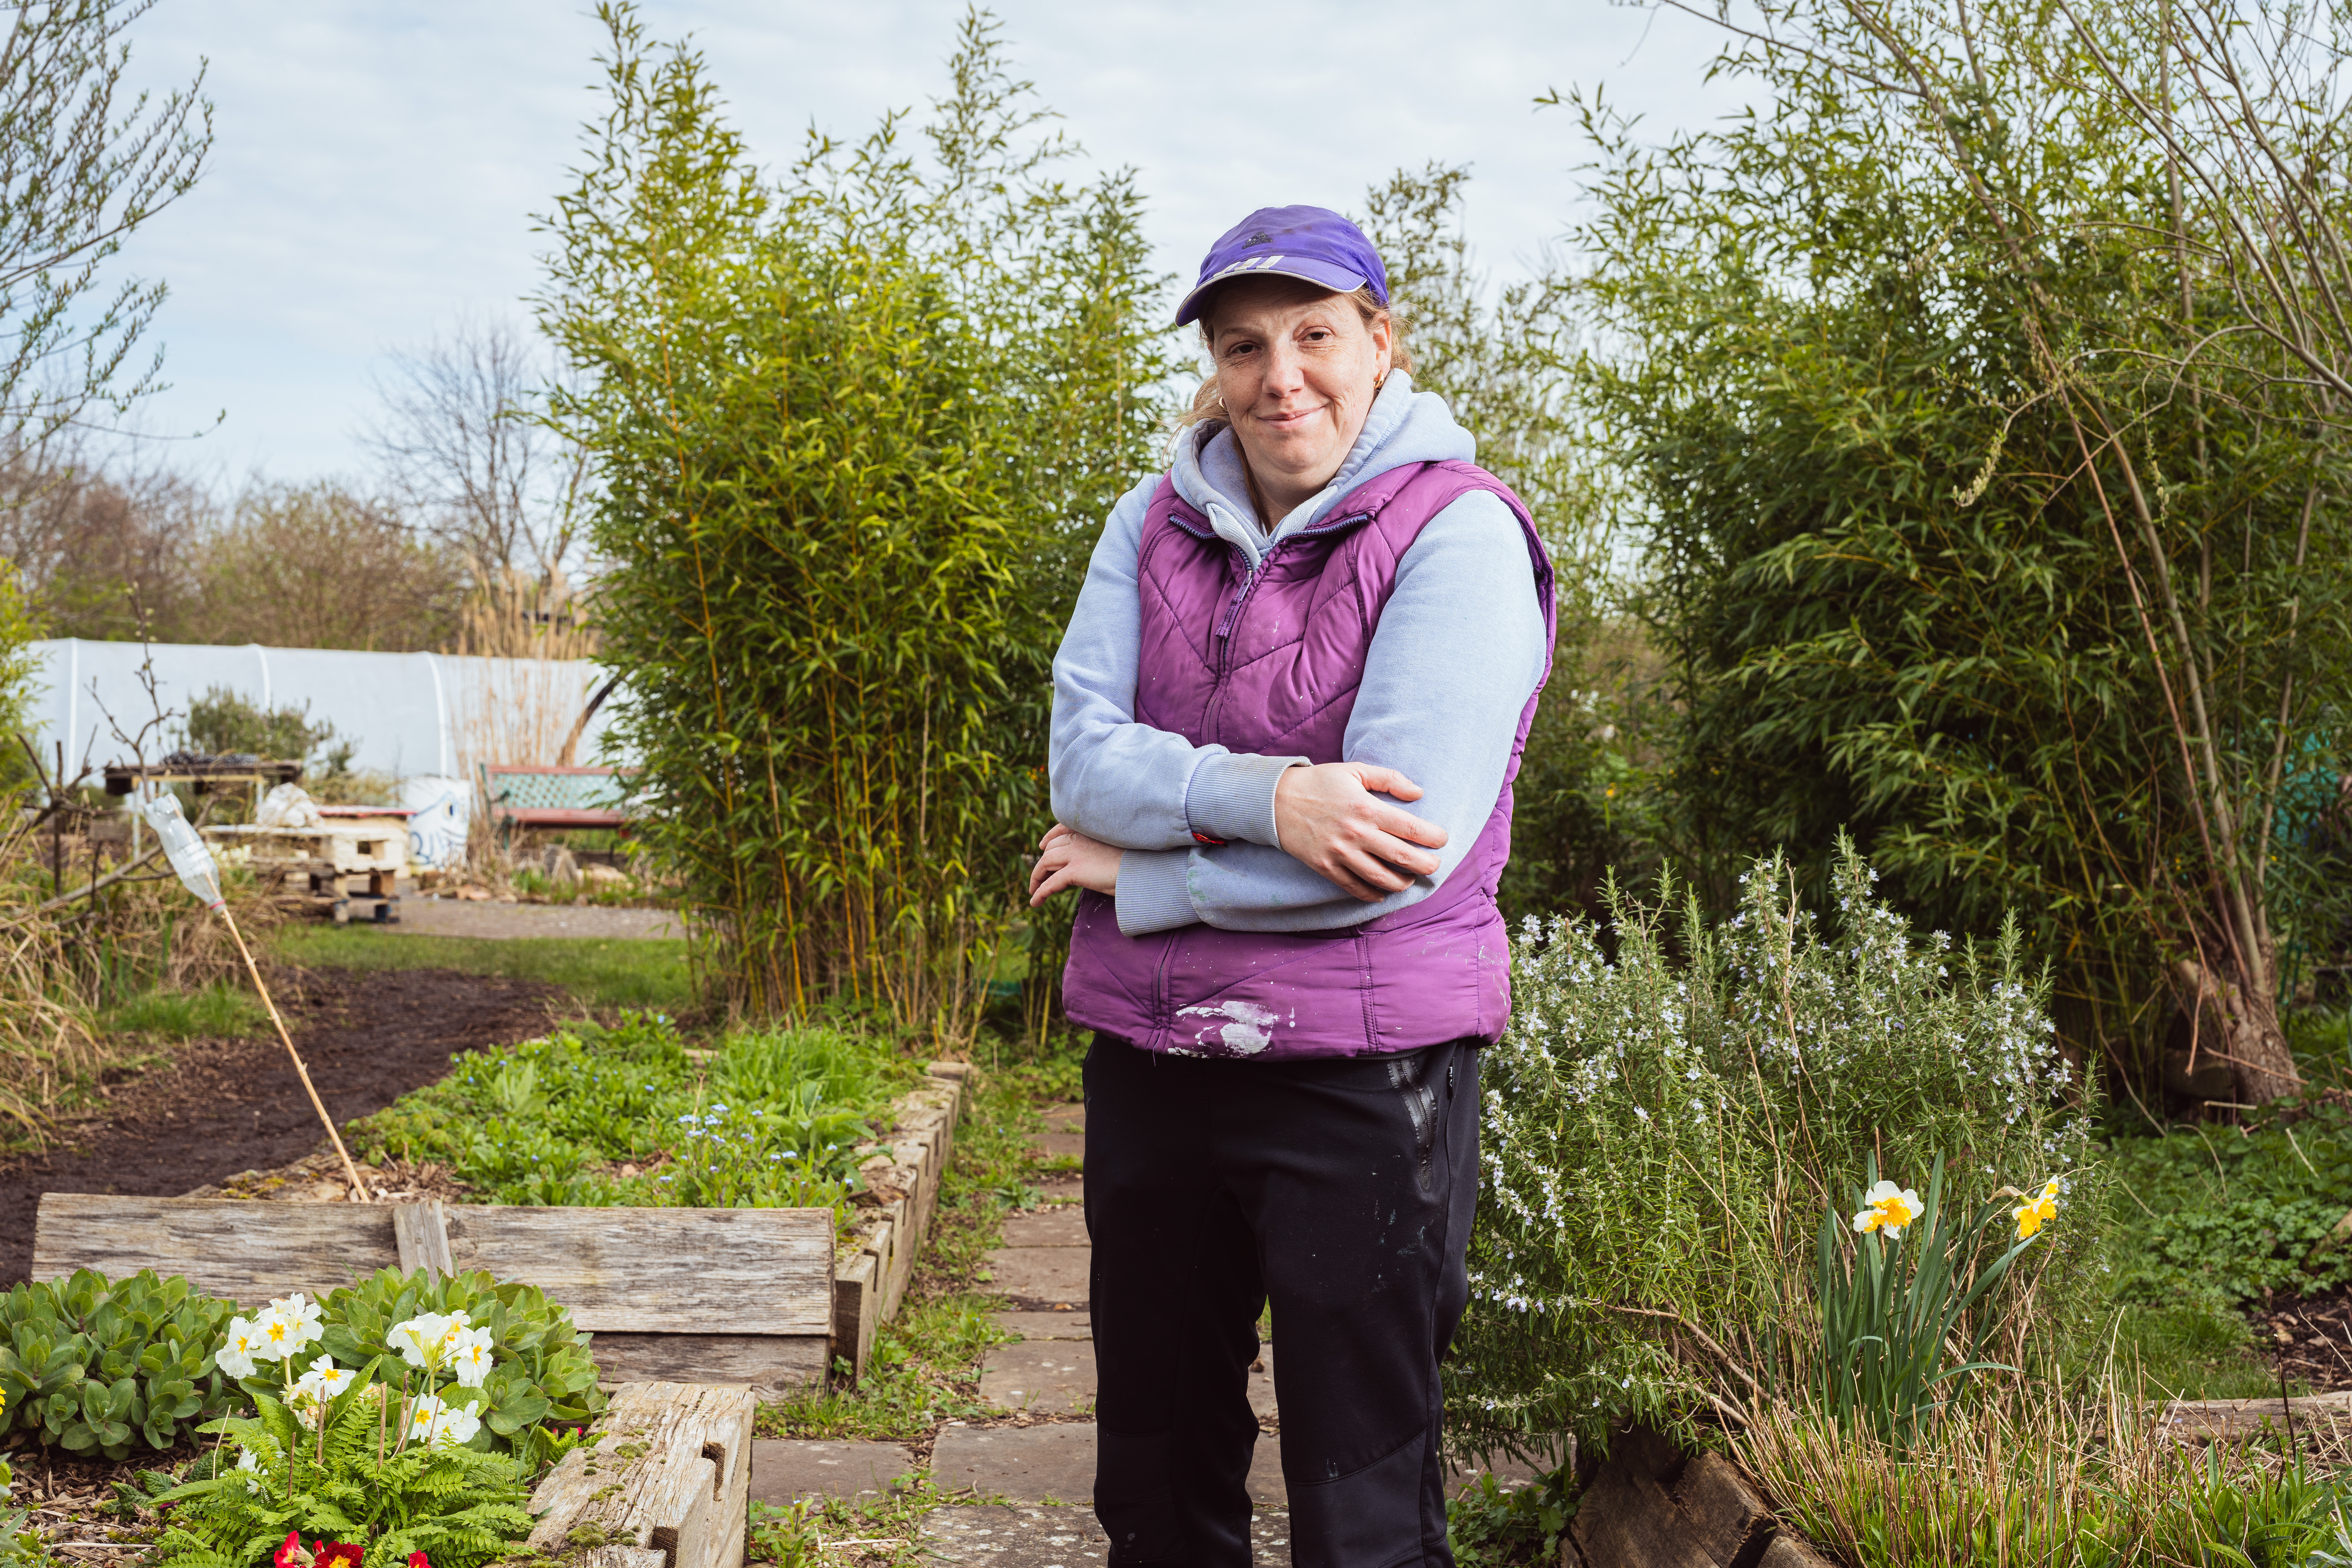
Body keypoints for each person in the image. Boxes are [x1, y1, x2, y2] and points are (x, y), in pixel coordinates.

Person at [1028, 204, 1554, 1568]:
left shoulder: (1460, 534)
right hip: (1152, 1060)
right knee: (1154, 1469)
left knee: (1359, 1495)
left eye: (1317, 335)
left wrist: (1147, 874)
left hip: (1360, 1072)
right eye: (1246, 342)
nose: (1283, 375)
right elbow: (1082, 759)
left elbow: (1396, 853)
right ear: (1214, 362)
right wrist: (1272, 797)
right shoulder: (1148, 526)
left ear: (1380, 342)